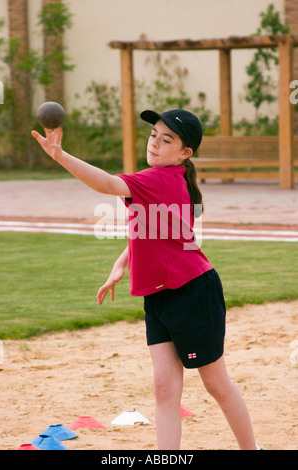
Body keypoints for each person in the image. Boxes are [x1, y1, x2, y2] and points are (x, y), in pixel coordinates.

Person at [32, 109, 261, 450]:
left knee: (216, 384)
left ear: (185, 153)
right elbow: (156, 228)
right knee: (164, 389)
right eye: (154, 134)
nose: (155, 142)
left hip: (191, 294)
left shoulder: (161, 179)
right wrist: (122, 263)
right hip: (158, 296)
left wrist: (60, 155)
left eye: (167, 139)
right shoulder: (168, 178)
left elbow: (106, 183)